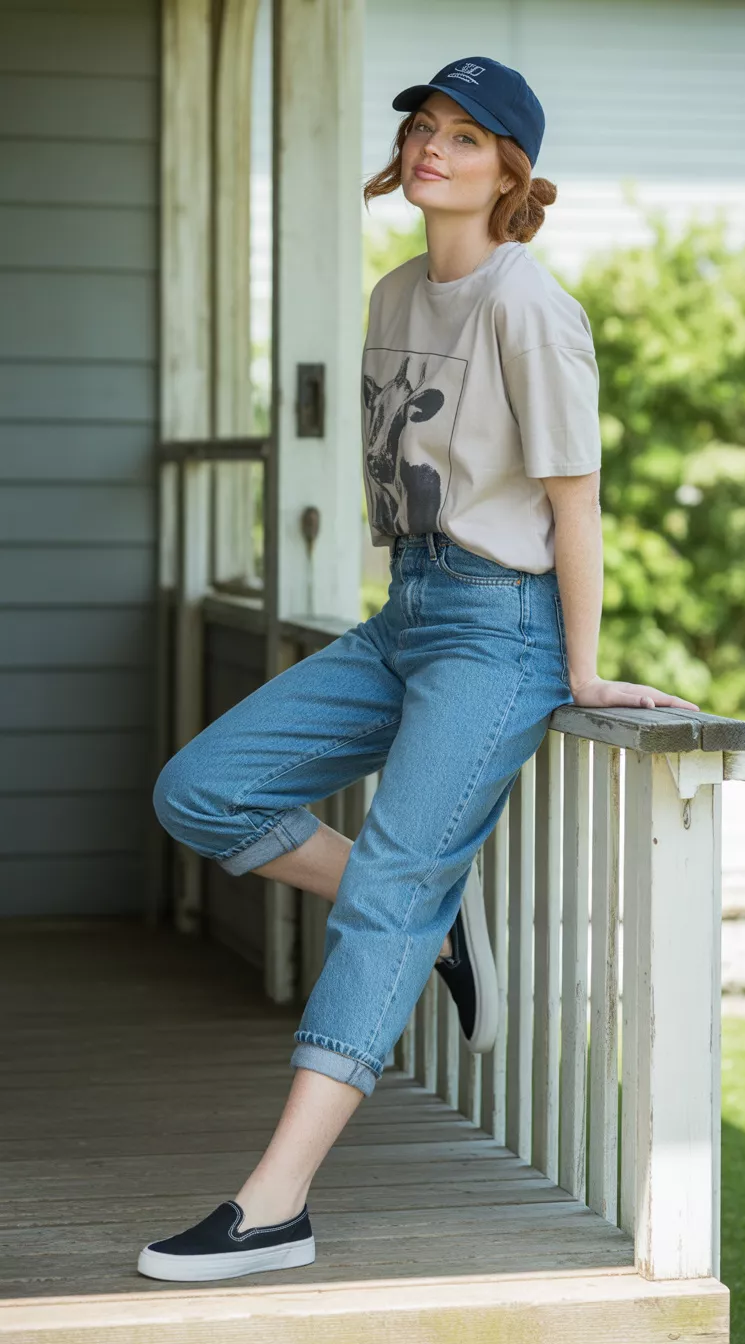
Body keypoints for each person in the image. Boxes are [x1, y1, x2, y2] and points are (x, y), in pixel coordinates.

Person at [137, 56, 699, 1283]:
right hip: (408, 609)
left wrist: (582, 670)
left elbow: (576, 507)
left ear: (511, 172)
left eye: (468, 135)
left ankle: (273, 1206)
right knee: (199, 789)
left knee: (389, 890)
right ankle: (433, 918)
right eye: (424, 129)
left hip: (501, 631)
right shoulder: (396, 295)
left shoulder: (529, 307)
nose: (436, 147)